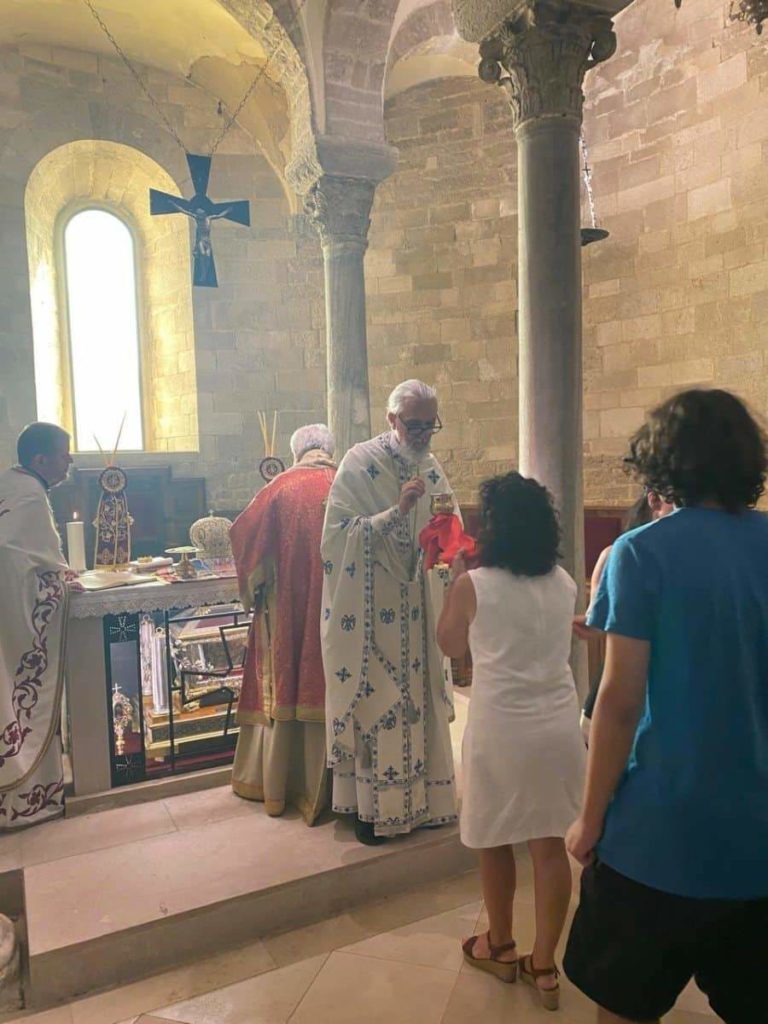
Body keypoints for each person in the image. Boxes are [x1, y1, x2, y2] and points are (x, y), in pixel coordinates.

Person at [564, 389, 768, 1024]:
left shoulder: (640, 551)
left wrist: (590, 820)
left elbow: (619, 703)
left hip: (659, 838)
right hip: (758, 837)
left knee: (623, 1007)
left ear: (661, 463)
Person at [437, 472, 585, 1012]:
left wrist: (456, 579)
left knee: (494, 838)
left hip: (500, 728)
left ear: (493, 528)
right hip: (557, 727)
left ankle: (499, 946)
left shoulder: (475, 584)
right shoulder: (563, 581)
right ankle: (544, 966)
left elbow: (451, 645)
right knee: (549, 845)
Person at [321, 380, 458, 845]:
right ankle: (375, 812)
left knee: (419, 707)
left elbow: (450, 527)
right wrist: (396, 512)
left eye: (430, 426)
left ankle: (422, 804)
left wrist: (447, 546)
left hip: (419, 612)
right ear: (391, 420)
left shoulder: (432, 466)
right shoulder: (360, 463)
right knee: (381, 707)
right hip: (372, 613)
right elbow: (337, 538)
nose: (423, 435)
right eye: (414, 425)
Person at [230, 424, 337, 825]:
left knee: (288, 686)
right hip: (343, 616)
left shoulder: (278, 489)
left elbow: (243, 537)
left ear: (297, 453)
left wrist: (253, 591)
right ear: (329, 449)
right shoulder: (350, 480)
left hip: (289, 613)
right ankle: (335, 792)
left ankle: (280, 787)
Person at [0, 422, 76, 829]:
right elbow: (41, 566)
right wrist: (61, 582)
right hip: (13, 611)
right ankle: (24, 793)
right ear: (40, 459)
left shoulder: (9, 483)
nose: (70, 462)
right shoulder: (29, 496)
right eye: (65, 454)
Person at [575, 490, 673, 742]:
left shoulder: (684, 554)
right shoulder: (618, 552)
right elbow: (598, 613)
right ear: (654, 505)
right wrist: (591, 623)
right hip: (630, 660)